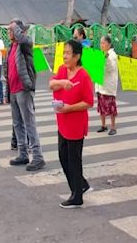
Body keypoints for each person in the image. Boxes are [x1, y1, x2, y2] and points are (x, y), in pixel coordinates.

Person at [50, 40, 94, 209]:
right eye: (64, 53)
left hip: (75, 123)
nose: (65, 56)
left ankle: (77, 196)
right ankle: (81, 184)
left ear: (77, 56)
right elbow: (51, 84)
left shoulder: (83, 76)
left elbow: (89, 102)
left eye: (68, 53)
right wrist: (62, 83)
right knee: (63, 156)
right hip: (62, 121)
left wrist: (70, 108)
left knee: (74, 160)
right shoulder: (62, 70)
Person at [6, 19, 46, 171]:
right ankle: (23, 154)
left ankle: (38, 156)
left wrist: (17, 28)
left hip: (23, 89)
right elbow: (8, 70)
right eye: (9, 30)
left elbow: (23, 39)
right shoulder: (12, 47)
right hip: (14, 90)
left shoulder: (25, 44)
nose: (9, 32)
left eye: (12, 30)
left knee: (29, 123)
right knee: (17, 124)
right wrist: (7, 92)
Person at [95, 35, 119, 135]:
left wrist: (105, 60)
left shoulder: (112, 55)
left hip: (109, 85)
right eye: (101, 43)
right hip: (100, 84)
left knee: (111, 107)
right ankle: (103, 125)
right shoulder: (101, 54)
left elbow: (110, 69)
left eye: (103, 43)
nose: (101, 45)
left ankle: (113, 127)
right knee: (101, 106)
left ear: (109, 44)